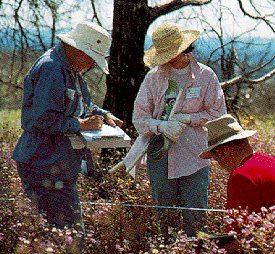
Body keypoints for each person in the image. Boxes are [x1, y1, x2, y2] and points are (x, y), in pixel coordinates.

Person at [12, 21, 122, 253]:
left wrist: (105, 115)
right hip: (42, 164)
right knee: (67, 235)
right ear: (80, 50)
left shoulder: (70, 70)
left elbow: (84, 103)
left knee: (64, 234)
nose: (92, 64)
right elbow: (42, 118)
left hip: (56, 165)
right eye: (92, 58)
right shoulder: (52, 69)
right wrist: (80, 124)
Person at [126, 22, 227, 239]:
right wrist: (160, 126)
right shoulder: (154, 77)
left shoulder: (206, 76)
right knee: (165, 216)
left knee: (196, 215)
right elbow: (139, 118)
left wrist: (189, 119)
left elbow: (218, 114)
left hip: (195, 156)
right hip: (160, 156)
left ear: (184, 49)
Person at [199, 114, 275, 252]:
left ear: (219, 151)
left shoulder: (241, 176)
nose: (217, 163)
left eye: (214, 157)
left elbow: (245, 241)